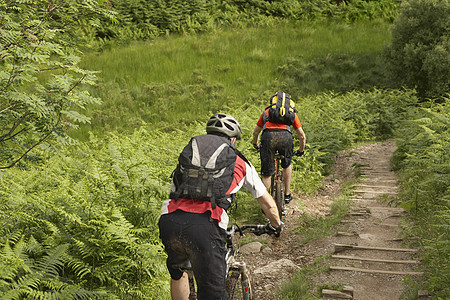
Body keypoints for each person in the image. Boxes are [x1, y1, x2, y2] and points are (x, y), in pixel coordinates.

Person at [158, 113, 283, 300]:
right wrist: (276, 225)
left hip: (170, 221)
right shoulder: (238, 160)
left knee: (179, 272)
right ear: (232, 139)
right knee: (213, 294)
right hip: (205, 225)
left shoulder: (190, 155)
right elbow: (267, 202)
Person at [252, 91, 306, 205]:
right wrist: (301, 150)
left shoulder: (266, 112)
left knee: (267, 173)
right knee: (286, 165)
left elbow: (256, 132)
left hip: (268, 138)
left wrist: (256, 144)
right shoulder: (291, 113)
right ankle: (287, 195)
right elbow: (302, 135)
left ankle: (266, 203)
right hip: (285, 138)